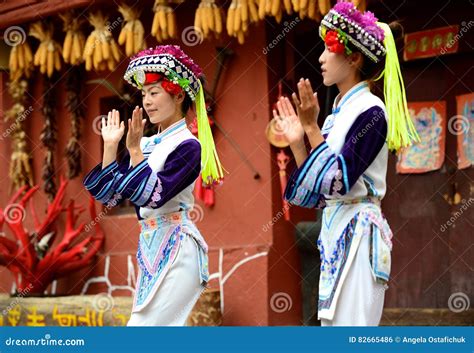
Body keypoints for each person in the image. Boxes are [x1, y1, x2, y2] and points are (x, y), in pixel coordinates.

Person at [276, 1, 418, 326]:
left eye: (328, 50)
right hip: (335, 227)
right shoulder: (337, 115)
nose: (321, 59)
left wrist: (311, 128)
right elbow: (314, 193)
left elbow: (339, 178)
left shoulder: (371, 112)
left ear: (353, 58)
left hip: (359, 230)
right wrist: (299, 139)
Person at [83, 45, 223, 326]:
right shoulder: (147, 144)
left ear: (179, 94)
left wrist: (134, 151)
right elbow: (109, 192)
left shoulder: (188, 146)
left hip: (178, 248)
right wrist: (110, 147)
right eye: (144, 94)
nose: (146, 101)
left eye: (154, 92)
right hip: (150, 246)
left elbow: (154, 194)